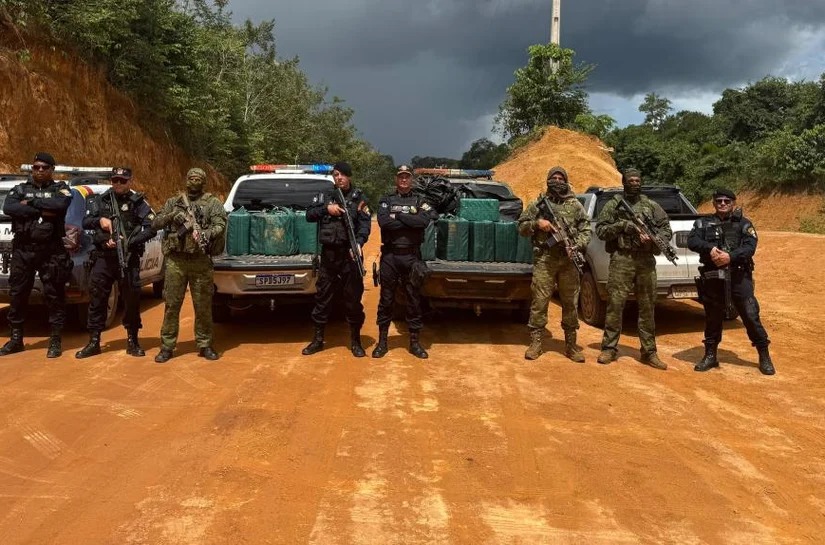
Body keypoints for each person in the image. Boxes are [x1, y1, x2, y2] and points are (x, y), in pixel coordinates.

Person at [687, 188, 775, 375]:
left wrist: (730, 257)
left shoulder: (744, 224)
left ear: (733, 203)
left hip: (738, 276)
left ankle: (764, 354)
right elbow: (692, 241)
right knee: (712, 317)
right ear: (714, 203)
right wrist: (710, 248)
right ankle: (710, 355)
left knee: (750, 314)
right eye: (719, 201)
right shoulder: (703, 223)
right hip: (713, 277)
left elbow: (750, 247)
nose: (723, 204)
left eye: (727, 201)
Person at [75, 167, 157, 359]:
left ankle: (132, 340)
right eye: (115, 180)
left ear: (130, 182)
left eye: (122, 180)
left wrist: (131, 241)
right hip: (104, 257)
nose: (118, 184)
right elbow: (86, 221)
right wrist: (101, 225)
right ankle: (94, 341)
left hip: (128, 258)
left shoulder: (137, 202)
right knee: (97, 299)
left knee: (131, 299)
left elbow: (152, 227)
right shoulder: (101, 200)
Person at [595, 168, 671, 370]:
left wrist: (655, 239)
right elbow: (601, 230)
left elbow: (666, 227)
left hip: (645, 260)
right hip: (622, 259)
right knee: (615, 305)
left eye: (638, 180)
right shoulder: (613, 205)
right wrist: (622, 226)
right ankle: (609, 348)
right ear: (624, 182)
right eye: (631, 180)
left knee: (647, 307)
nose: (635, 183)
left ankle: (649, 352)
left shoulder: (651, 205)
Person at [0, 152, 73, 358]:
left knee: (54, 294)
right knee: (17, 294)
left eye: (44, 167)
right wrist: (41, 210)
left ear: (52, 170)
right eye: (36, 167)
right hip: (23, 249)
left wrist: (30, 204)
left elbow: (60, 205)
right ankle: (16, 339)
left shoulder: (61, 189)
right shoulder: (20, 189)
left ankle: (55, 340)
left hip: (51, 250)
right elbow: (9, 207)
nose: (39, 171)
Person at [151, 168, 227, 363]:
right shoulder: (173, 202)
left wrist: (206, 233)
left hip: (200, 260)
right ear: (186, 180)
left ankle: (205, 344)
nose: (193, 182)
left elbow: (221, 224)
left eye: (197, 179)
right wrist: (172, 216)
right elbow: (155, 223)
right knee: (172, 304)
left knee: (202, 305)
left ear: (203, 182)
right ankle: (167, 346)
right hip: (176, 260)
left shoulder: (212, 203)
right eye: (190, 178)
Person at [518, 166, 591, 362]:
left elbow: (586, 230)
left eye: (561, 178)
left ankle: (571, 346)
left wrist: (576, 246)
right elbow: (521, 227)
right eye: (554, 178)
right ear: (548, 180)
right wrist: (537, 224)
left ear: (566, 181)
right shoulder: (538, 204)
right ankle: (536, 343)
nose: (557, 181)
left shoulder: (575, 205)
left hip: (568, 261)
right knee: (540, 301)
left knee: (570, 303)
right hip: (545, 259)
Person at [302, 161, 371, 357]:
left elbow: (365, 225)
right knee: (323, 299)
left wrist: (359, 242)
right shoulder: (325, 195)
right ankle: (317, 340)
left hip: (350, 256)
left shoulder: (359, 198)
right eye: (335, 175)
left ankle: (356, 342)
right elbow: (309, 214)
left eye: (342, 174)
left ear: (349, 176)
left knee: (352, 300)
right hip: (330, 255)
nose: (338, 178)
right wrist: (327, 209)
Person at [373, 164, 438, 359]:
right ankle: (383, 342)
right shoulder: (386, 199)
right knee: (386, 300)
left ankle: (415, 343)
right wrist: (410, 217)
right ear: (396, 179)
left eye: (407, 177)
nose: (403, 179)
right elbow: (384, 222)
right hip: (391, 256)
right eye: (400, 176)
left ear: (411, 180)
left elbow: (423, 222)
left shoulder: (421, 200)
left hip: (412, 257)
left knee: (413, 300)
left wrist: (399, 216)